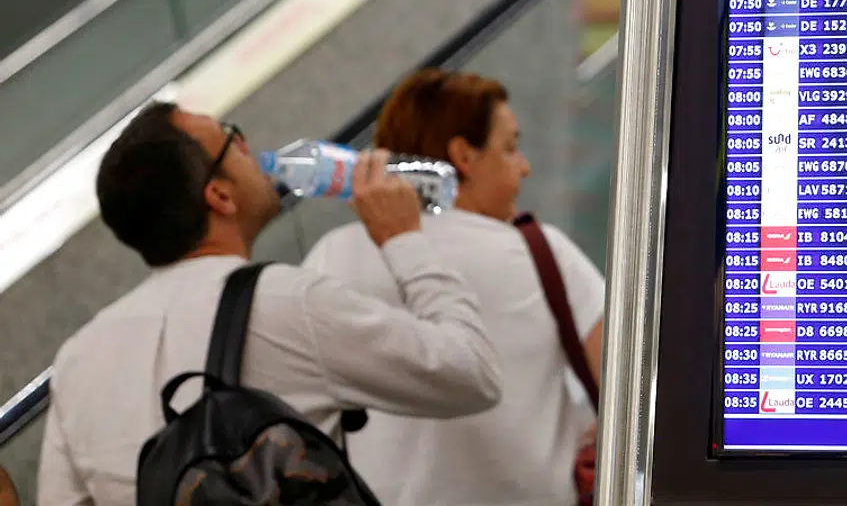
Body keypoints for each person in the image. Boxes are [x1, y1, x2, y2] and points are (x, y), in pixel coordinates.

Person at [37, 103, 505, 506]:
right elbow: (471, 375)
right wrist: (404, 241)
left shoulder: (77, 361)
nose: (250, 148)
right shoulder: (287, 302)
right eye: (232, 140)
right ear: (219, 195)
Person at [304, 71, 605, 506]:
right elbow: (631, 386)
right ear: (464, 155)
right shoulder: (540, 253)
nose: (524, 165)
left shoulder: (329, 258)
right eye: (510, 147)